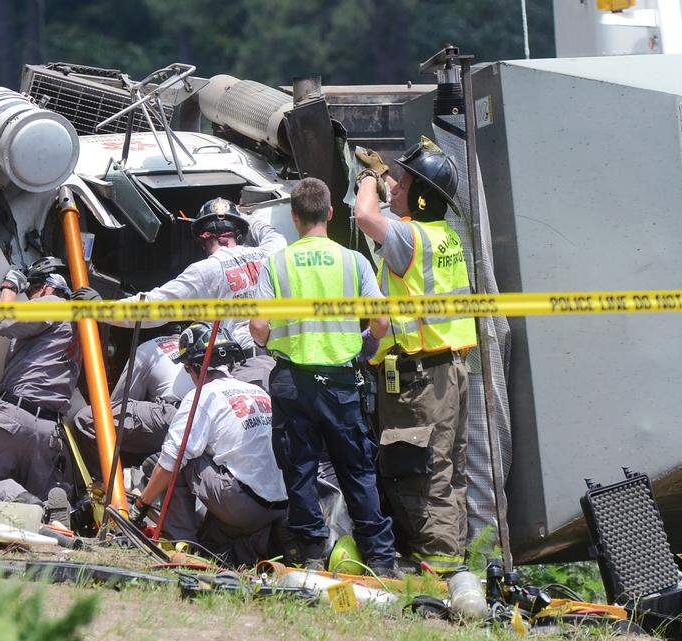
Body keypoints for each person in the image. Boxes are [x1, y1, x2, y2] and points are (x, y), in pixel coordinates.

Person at [248, 177, 400, 577]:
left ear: (294, 218)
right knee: (357, 470)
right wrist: (365, 343)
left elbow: (259, 328)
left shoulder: (276, 264)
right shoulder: (354, 261)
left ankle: (312, 553)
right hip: (341, 383)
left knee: (300, 471)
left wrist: (276, 338)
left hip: (292, 383)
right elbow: (382, 320)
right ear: (331, 213)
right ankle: (381, 560)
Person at [353, 137, 476, 574]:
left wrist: (367, 178)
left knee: (421, 470)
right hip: (448, 372)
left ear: (420, 196)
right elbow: (394, 214)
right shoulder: (441, 236)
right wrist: (389, 178)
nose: (394, 192)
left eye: (401, 186)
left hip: (419, 380)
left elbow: (366, 215)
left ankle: (439, 564)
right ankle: (451, 558)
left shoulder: (409, 238)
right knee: (448, 469)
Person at [0, 257, 100, 510]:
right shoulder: (82, 325)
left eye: (33, 289)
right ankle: (55, 508)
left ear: (48, 286)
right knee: (42, 504)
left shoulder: (53, 303)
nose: (31, 296)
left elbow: (2, 321)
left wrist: (10, 286)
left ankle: (15, 497)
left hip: (13, 418)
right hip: (49, 432)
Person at [132, 323, 288, 566]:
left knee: (173, 459)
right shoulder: (257, 392)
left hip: (241, 505)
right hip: (277, 505)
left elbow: (170, 461)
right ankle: (254, 546)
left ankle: (181, 544)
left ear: (192, 368)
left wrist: (141, 506)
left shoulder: (202, 396)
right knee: (213, 547)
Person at [107, 197, 285, 390]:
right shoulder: (271, 252)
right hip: (283, 365)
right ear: (239, 233)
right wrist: (241, 215)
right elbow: (271, 232)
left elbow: (152, 307)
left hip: (246, 371)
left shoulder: (206, 270)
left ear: (202, 239)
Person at [72, 324, 192, 467]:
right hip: (209, 417)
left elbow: (121, 402)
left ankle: (106, 484)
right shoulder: (202, 348)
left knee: (89, 420)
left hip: (175, 416)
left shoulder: (149, 348)